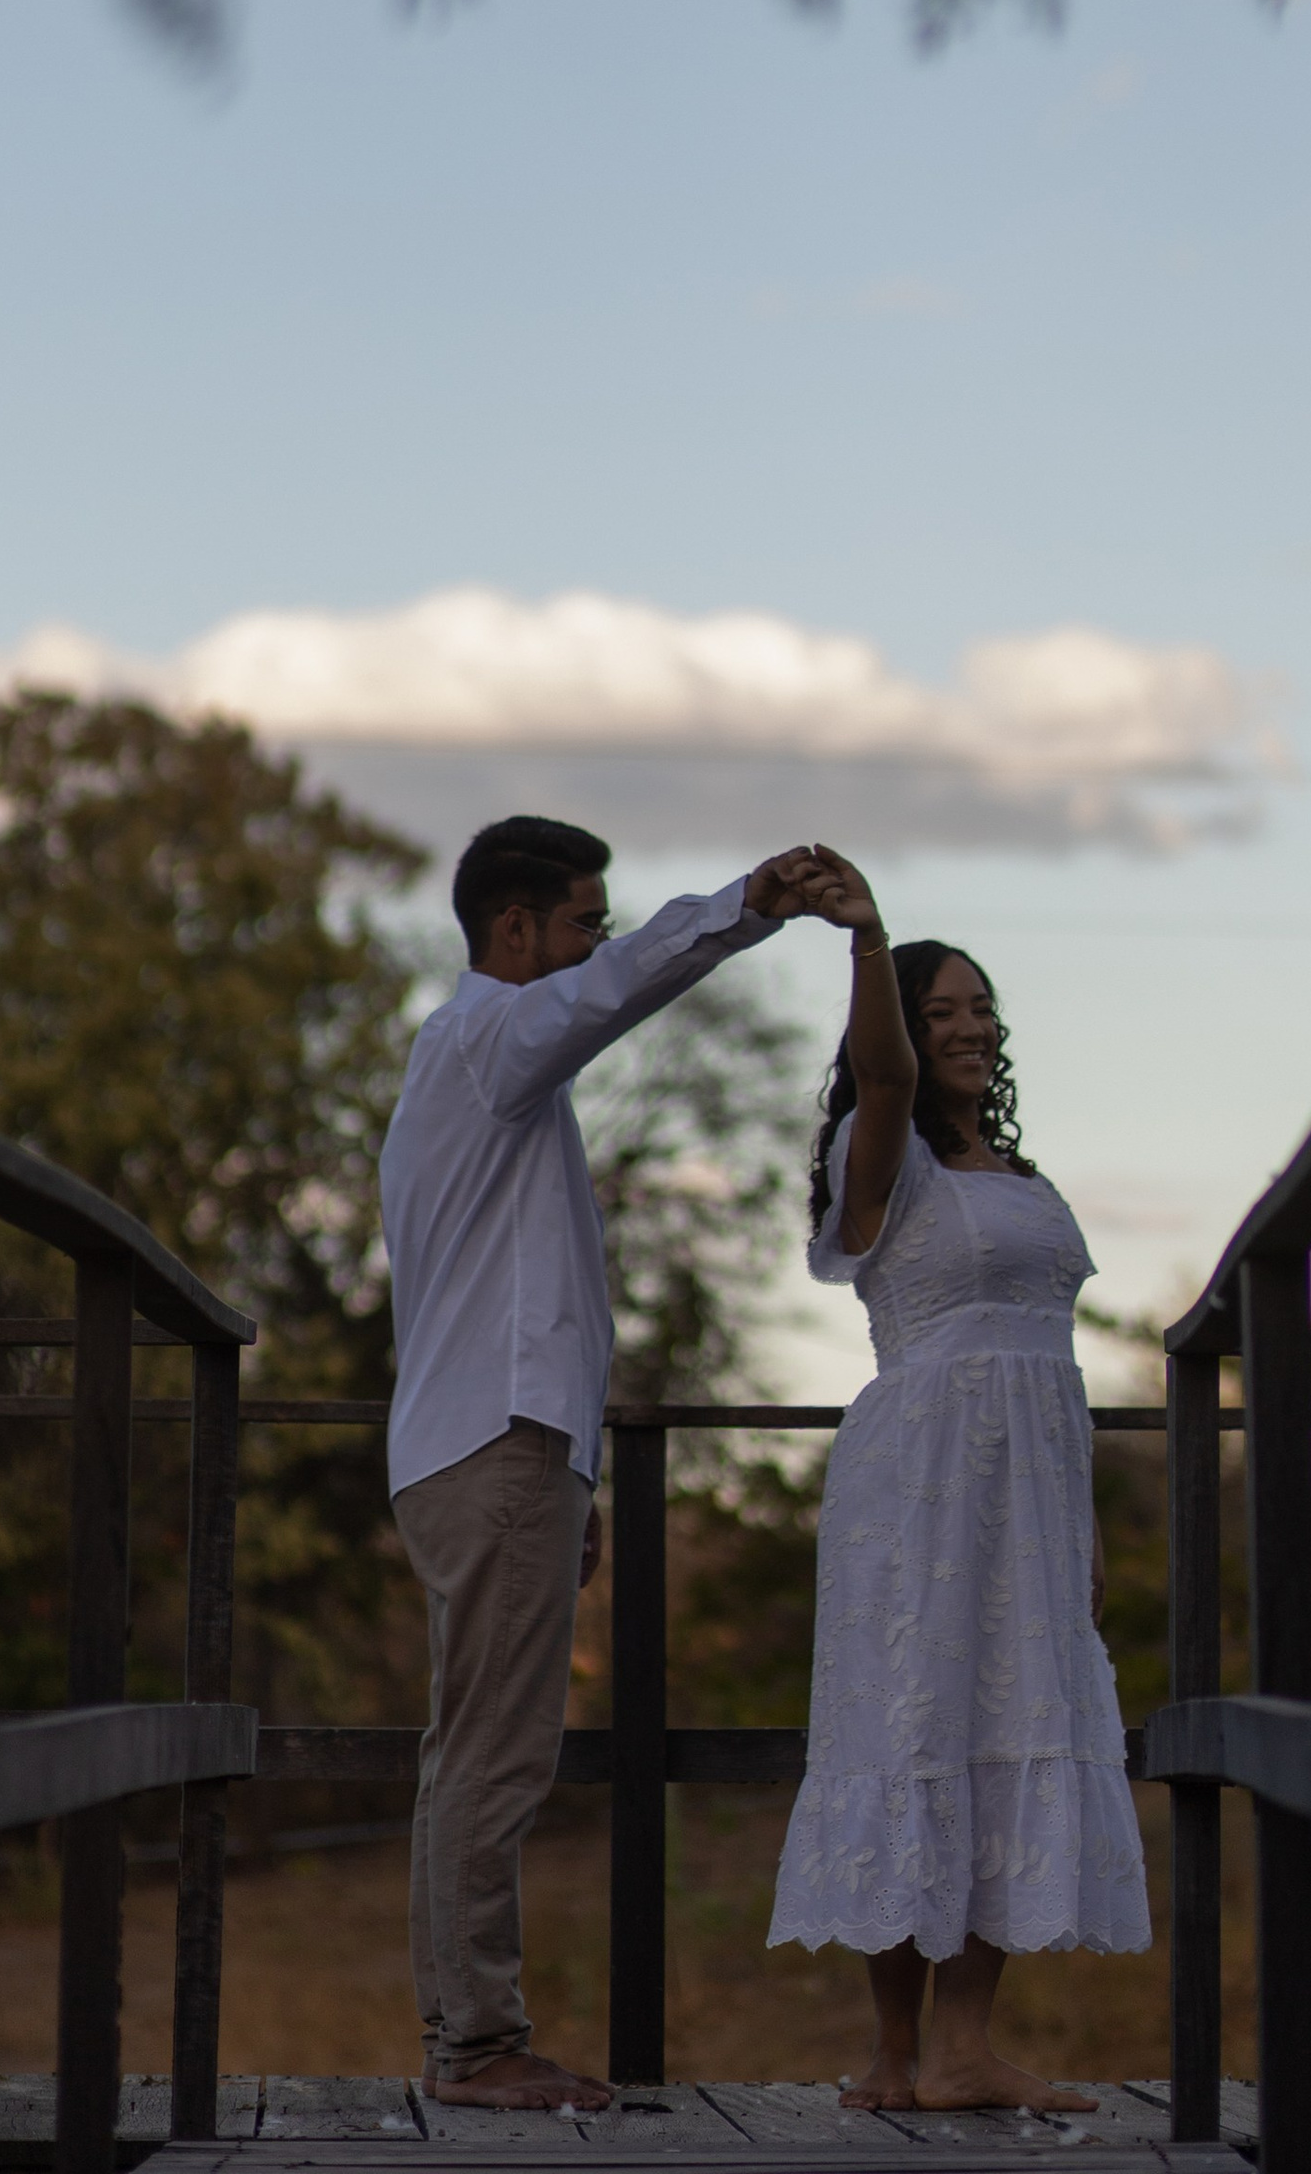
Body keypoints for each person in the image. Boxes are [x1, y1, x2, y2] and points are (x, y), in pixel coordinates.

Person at [380, 812, 829, 2112]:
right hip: (495, 1447)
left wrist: (569, 1465)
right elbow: (618, 990)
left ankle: (466, 2037)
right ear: (515, 929)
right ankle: (476, 2047)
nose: (597, 946)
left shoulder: (477, 1073)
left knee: (468, 1754)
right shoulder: (489, 1041)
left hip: (493, 1448)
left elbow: (533, 1298)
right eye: (585, 922)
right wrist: (748, 903)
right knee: (494, 1759)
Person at [768, 857, 1148, 2110]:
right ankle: (896, 2052)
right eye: (940, 1013)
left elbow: (1052, 1364)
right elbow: (881, 1076)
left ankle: (960, 2046)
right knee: (906, 1727)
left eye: (981, 1009)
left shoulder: (1025, 1181)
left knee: (1007, 1731)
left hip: (1033, 1493)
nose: (969, 1029)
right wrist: (866, 938)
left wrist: (1080, 1527)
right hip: (920, 1483)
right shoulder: (881, 1157)